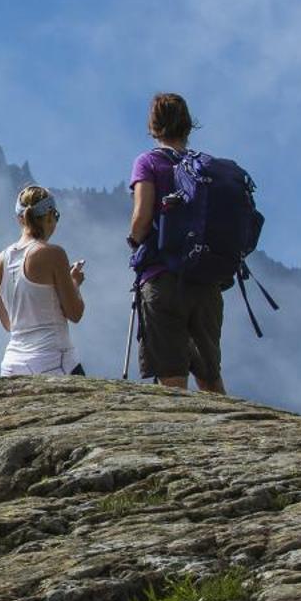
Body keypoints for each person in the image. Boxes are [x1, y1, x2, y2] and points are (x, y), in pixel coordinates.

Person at [127, 92, 224, 392]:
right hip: (206, 283)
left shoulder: (148, 163)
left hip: (163, 280)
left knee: (171, 377)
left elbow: (142, 217)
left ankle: (179, 440)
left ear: (153, 126)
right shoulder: (207, 166)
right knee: (209, 375)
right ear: (188, 126)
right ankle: (225, 435)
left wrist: (134, 241)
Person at [0, 184, 86, 375]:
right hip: (53, 362)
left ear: (20, 219)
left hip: (11, 366)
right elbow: (75, 313)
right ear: (50, 215)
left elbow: (8, 324)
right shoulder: (53, 254)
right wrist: (74, 282)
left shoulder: (0, 261)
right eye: (56, 216)